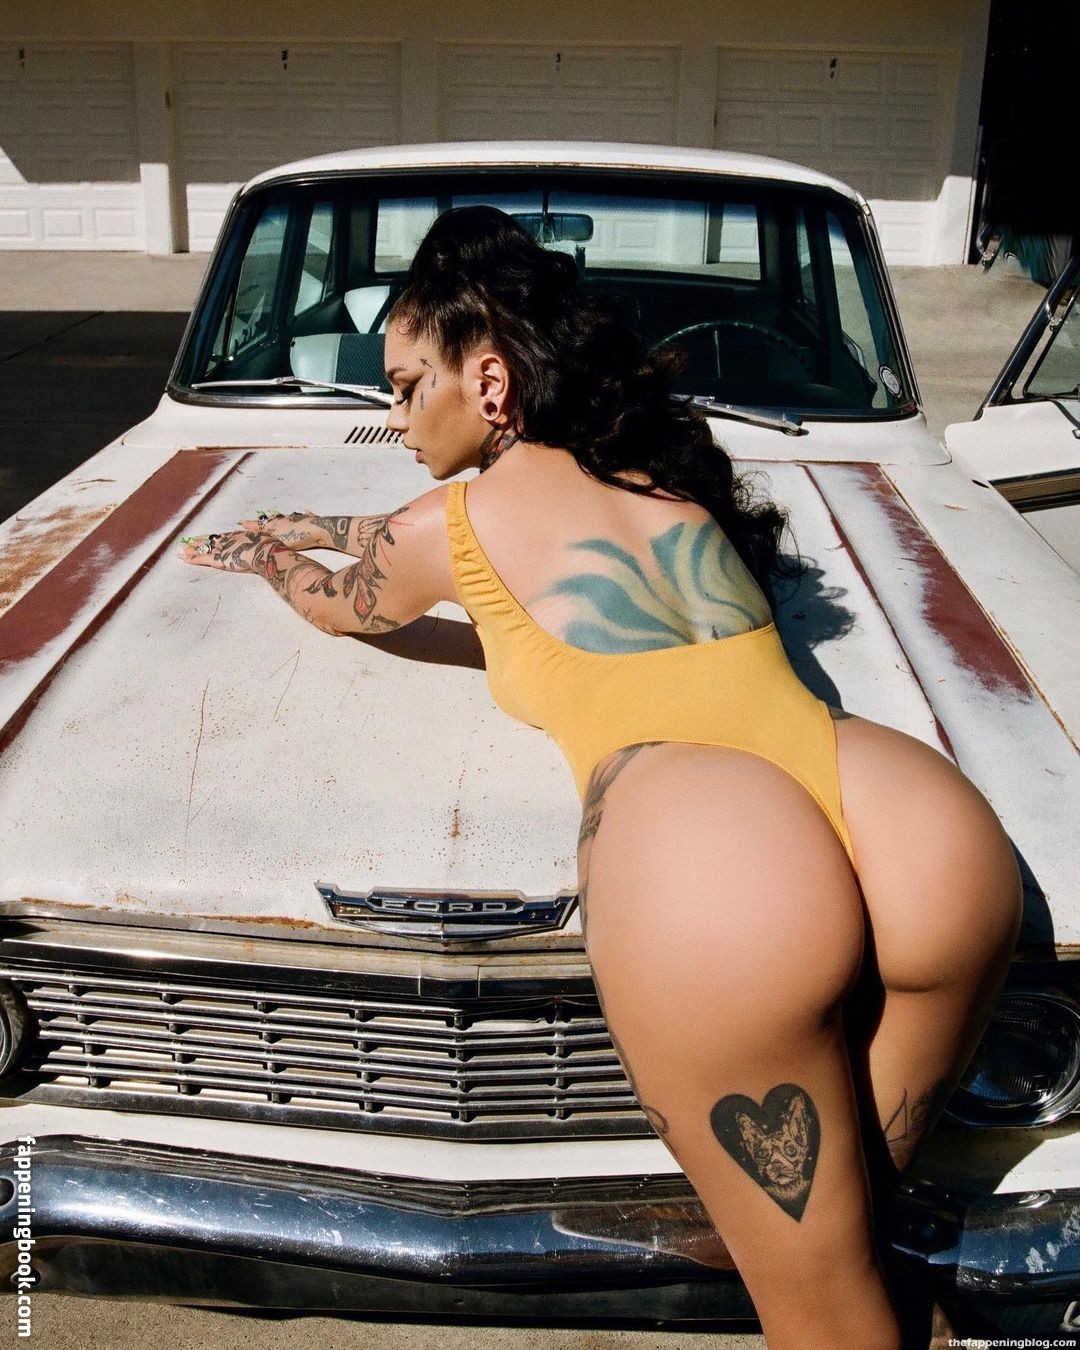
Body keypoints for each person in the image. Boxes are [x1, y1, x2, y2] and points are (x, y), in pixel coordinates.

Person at [180, 206, 1023, 1349]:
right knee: (864, 1235)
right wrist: (325, 518)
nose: (397, 416)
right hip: (908, 816)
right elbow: (409, 532)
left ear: (488, 383)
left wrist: (268, 552)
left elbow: (345, 601)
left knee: (822, 1311)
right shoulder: (664, 487)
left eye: (407, 386)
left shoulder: (451, 521)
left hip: (719, 854)